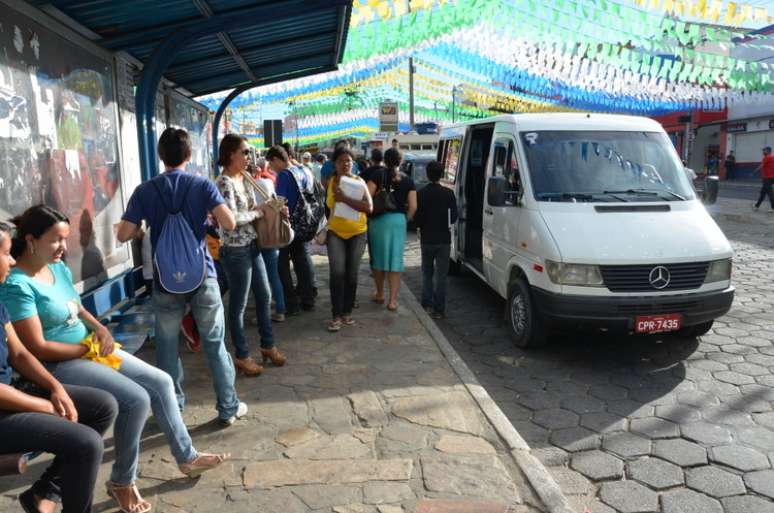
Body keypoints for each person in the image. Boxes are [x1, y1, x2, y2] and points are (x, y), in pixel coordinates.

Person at [1, 206, 231, 513]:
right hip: (63, 361)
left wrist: (99, 329)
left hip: (90, 348)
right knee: (135, 400)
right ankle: (123, 481)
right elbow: (35, 349)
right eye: (56, 239)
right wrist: (87, 350)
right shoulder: (17, 286)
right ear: (31, 240)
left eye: (66, 239)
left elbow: (77, 307)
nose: (63, 247)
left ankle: (186, 457)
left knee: (161, 381)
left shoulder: (56, 268)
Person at [116, 127, 248, 425]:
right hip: (202, 274)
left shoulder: (145, 190)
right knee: (214, 342)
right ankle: (228, 407)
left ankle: (172, 408)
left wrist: (141, 227)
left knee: (166, 344)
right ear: (189, 154)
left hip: (164, 280)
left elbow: (124, 233)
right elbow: (228, 223)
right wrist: (208, 216)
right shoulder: (202, 186)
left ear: (161, 156)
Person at [0, 221, 118, 513]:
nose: (12, 260)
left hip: (11, 393)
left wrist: (55, 389)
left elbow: (19, 354)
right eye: (5, 253)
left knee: (103, 405)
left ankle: (45, 491)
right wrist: (46, 407)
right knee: (86, 443)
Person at [215, 134, 287, 377]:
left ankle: (268, 345)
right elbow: (231, 221)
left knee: (264, 295)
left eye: (249, 152)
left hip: (252, 244)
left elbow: (256, 207)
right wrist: (258, 213)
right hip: (235, 250)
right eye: (244, 152)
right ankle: (242, 354)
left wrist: (273, 210)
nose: (249, 157)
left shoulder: (244, 178)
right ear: (230, 154)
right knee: (238, 305)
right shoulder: (223, 182)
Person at [325, 147, 372, 332]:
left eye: (348, 161)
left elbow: (369, 207)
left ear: (353, 164)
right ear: (334, 164)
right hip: (336, 232)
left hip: (358, 233)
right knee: (337, 273)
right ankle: (336, 315)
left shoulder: (359, 182)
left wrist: (344, 199)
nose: (345, 164)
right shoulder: (331, 182)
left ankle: (347, 312)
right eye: (341, 161)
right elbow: (328, 207)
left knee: (351, 274)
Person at [367, 148, 417, 312]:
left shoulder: (376, 176)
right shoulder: (408, 180)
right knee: (396, 260)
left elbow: (366, 197)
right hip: (398, 221)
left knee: (378, 258)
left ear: (384, 160)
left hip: (379, 220)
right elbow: (413, 206)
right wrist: (405, 218)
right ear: (400, 161)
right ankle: (393, 300)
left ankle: (380, 293)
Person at [269, 145, 316, 314]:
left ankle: (291, 304)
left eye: (271, 165)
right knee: (302, 262)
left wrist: (267, 204)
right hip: (305, 223)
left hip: (288, 225)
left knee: (282, 265)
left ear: (276, 159)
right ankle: (308, 298)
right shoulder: (303, 170)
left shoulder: (284, 175)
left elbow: (280, 202)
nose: (272, 169)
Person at [414, 161, 458, 318]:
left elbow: (416, 217)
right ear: (442, 174)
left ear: (427, 174)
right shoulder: (448, 194)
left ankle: (427, 304)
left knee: (426, 273)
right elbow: (453, 216)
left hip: (427, 238)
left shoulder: (421, 193)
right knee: (441, 275)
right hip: (444, 239)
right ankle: (440, 309)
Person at [753, 146, 774, 212]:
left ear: (768, 151)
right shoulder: (773, 157)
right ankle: (757, 206)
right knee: (763, 193)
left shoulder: (766, 157)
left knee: (770, 193)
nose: (763, 152)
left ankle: (773, 208)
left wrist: (754, 172)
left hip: (767, 178)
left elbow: (761, 166)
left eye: (764, 150)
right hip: (771, 177)